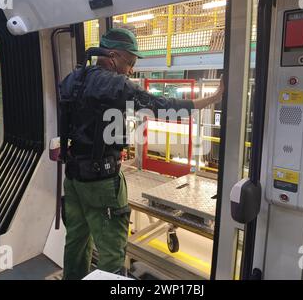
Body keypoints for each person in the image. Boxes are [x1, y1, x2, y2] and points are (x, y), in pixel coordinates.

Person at [59, 27, 224, 280]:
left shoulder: (73, 78)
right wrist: (209, 99)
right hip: (102, 183)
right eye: (131, 62)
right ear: (113, 56)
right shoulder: (114, 84)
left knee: (76, 243)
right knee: (112, 254)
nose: (131, 69)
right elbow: (161, 106)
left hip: (72, 179)